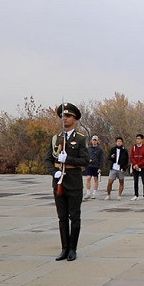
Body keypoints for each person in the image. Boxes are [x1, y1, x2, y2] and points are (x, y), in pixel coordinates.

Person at [44, 103, 88, 262]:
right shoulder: (55, 139)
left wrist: (68, 159)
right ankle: (64, 248)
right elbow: (48, 160)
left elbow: (85, 160)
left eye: (68, 116)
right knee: (62, 217)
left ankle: (73, 249)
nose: (65, 119)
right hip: (59, 183)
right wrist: (53, 172)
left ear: (75, 119)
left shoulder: (81, 139)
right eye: (63, 116)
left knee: (74, 217)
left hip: (74, 183)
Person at [130, 134, 144, 200]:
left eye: (139, 139)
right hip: (135, 167)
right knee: (135, 181)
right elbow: (131, 157)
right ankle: (136, 195)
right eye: (137, 139)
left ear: (142, 140)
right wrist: (135, 165)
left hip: (142, 167)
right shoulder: (134, 147)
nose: (137, 140)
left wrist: (139, 165)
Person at [84, 135, 104, 200]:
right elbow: (85, 156)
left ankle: (94, 193)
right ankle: (88, 193)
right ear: (91, 141)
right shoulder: (88, 148)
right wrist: (87, 160)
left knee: (95, 179)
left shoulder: (100, 149)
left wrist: (100, 168)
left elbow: (101, 159)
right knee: (88, 178)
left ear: (97, 141)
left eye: (95, 140)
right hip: (89, 166)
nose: (94, 141)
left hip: (96, 166)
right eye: (93, 140)